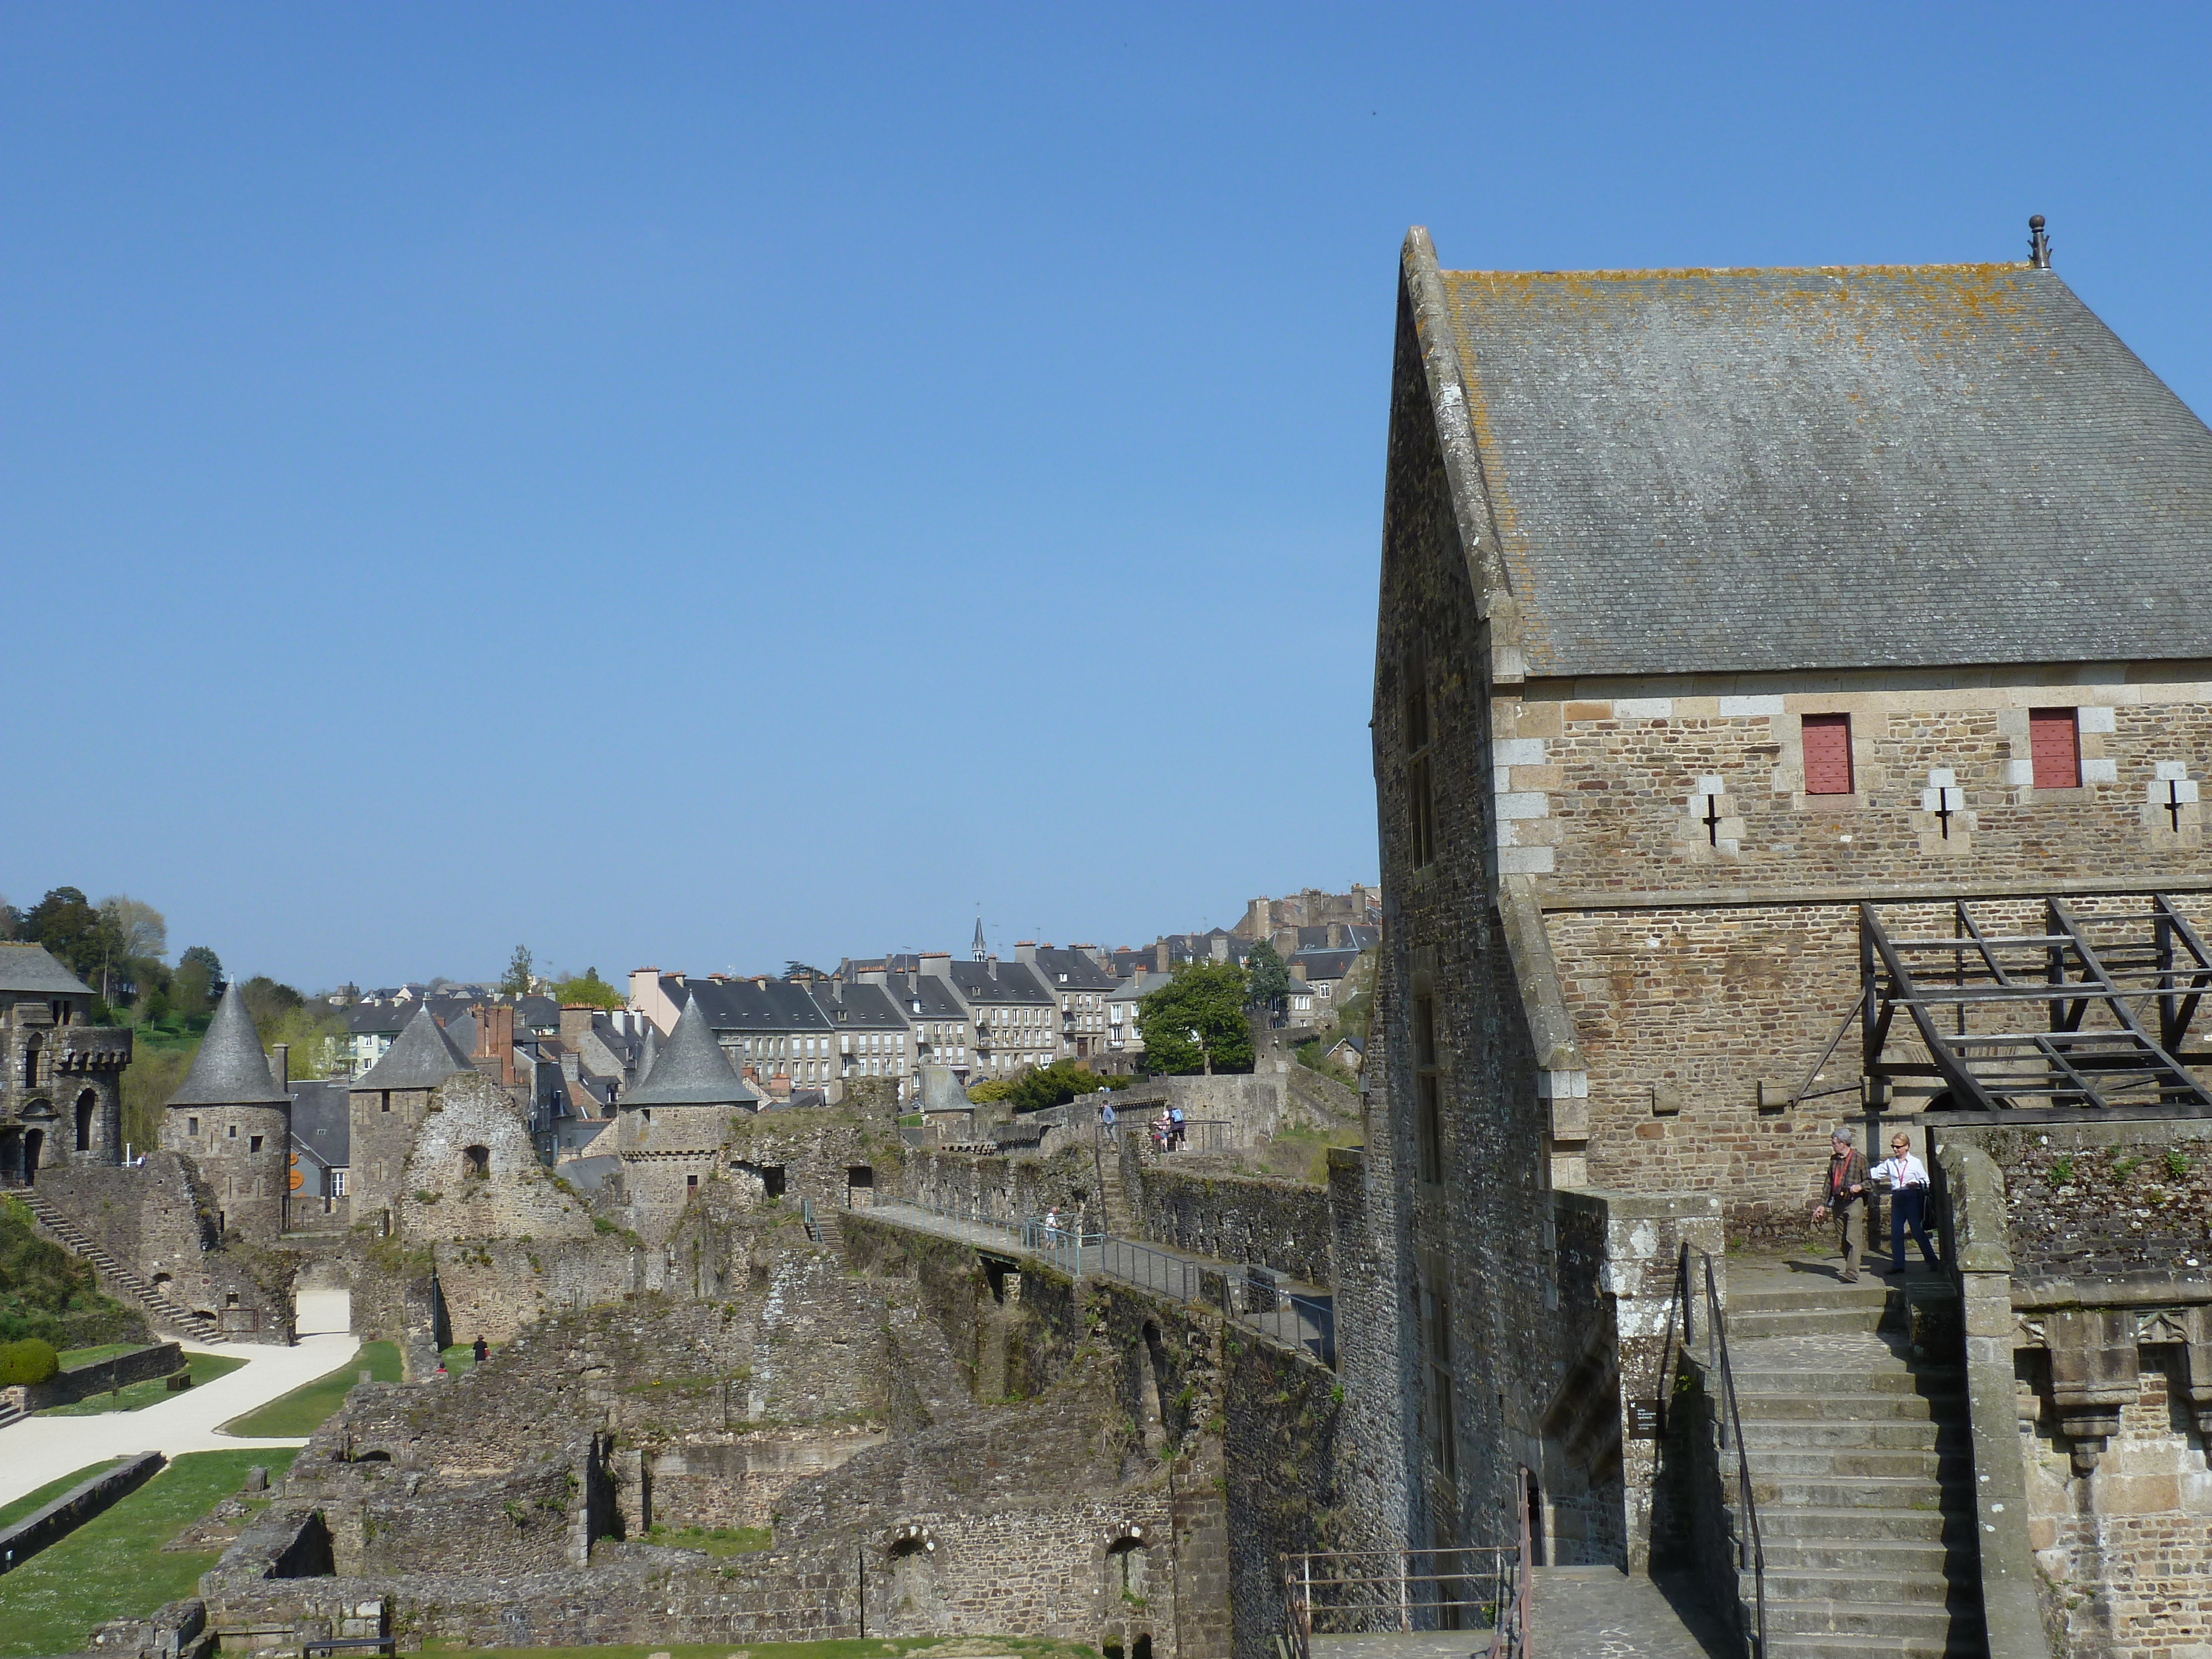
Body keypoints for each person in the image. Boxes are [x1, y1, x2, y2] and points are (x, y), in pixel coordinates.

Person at [1871, 1130, 1940, 1275]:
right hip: (1897, 1197)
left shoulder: (1915, 1162)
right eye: (1893, 1147)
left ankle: (1932, 1260)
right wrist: (1860, 1171)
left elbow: (1926, 1181)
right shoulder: (1890, 1163)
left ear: (1906, 1146)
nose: (1896, 1149)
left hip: (1912, 1197)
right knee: (1896, 1233)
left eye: (1898, 1146)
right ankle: (1898, 1265)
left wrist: (1915, 1184)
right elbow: (1875, 1173)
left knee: (1917, 1231)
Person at [1810, 1128, 1870, 1282]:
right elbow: (1829, 1184)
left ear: (1843, 1143)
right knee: (1843, 1239)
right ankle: (1852, 1263)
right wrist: (1822, 1205)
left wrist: (1860, 1187)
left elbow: (1870, 1182)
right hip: (1838, 1202)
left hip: (1854, 1202)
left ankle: (1852, 1272)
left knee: (1853, 1237)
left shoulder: (1860, 1159)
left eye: (1834, 1143)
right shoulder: (1834, 1160)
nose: (1833, 1146)